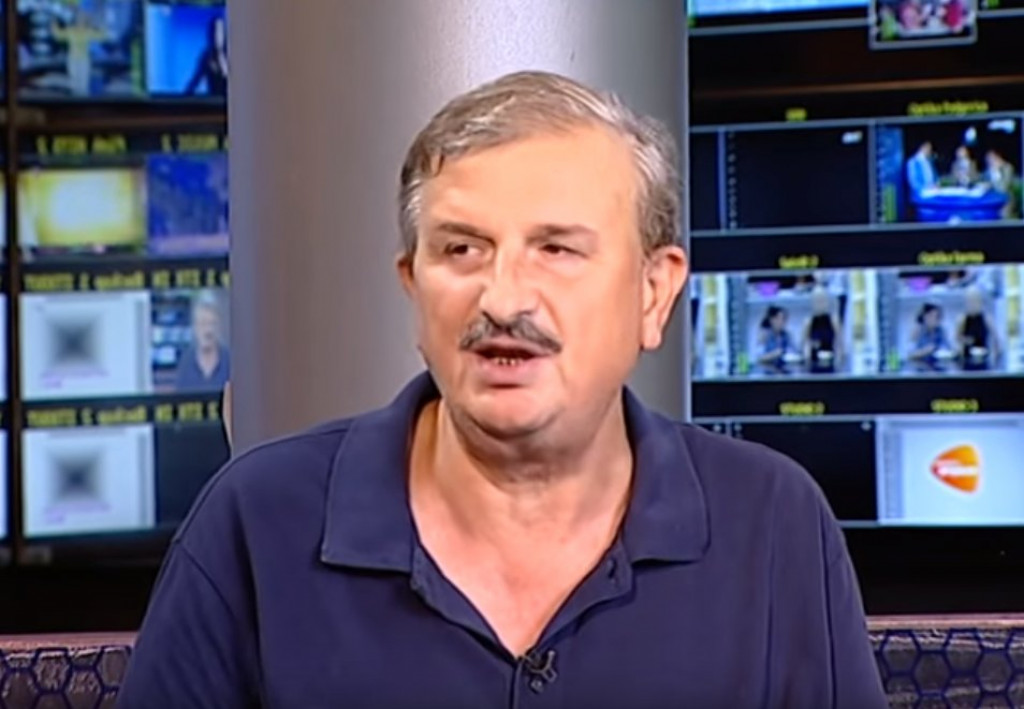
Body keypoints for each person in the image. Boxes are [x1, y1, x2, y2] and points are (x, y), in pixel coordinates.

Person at [117, 71, 886, 708]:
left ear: (654, 293)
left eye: (556, 249)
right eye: (462, 249)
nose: (504, 298)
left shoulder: (773, 520)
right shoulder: (255, 520)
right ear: (414, 285)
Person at [173, 290, 230, 393]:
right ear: (195, 328)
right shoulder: (185, 364)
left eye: (212, 324)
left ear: (219, 326)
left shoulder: (230, 361)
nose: (208, 330)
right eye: (203, 324)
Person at [956, 285, 999, 371]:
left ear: (980, 302)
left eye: (975, 301)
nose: (972, 304)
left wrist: (996, 356)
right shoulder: (962, 319)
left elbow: (996, 338)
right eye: (970, 301)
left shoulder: (986, 318)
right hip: (967, 359)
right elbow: (957, 337)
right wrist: (965, 341)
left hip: (984, 359)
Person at [185, 14, 228, 97]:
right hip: (214, 100)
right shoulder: (206, 57)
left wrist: (221, 58)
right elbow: (195, 82)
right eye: (214, 32)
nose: (216, 36)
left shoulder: (233, 53)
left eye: (219, 32)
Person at [803, 286, 843, 374]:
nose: (820, 303)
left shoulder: (834, 320)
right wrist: (807, 361)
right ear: (813, 302)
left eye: (822, 300)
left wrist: (838, 363)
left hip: (831, 363)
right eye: (817, 300)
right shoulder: (808, 322)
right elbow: (805, 344)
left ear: (827, 301)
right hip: (813, 364)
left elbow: (839, 344)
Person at [909, 302, 951, 369]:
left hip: (938, 369)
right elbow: (910, 355)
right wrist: (925, 351)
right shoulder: (917, 331)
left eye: (936, 317)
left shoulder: (941, 331)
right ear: (924, 316)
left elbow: (948, 349)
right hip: (921, 369)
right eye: (930, 316)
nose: (933, 319)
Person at [757, 304, 796, 373]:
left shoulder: (787, 335)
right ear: (772, 320)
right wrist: (775, 354)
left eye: (784, 319)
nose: (782, 322)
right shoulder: (764, 335)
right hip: (768, 372)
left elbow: (794, 352)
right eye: (779, 319)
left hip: (784, 371)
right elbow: (759, 358)